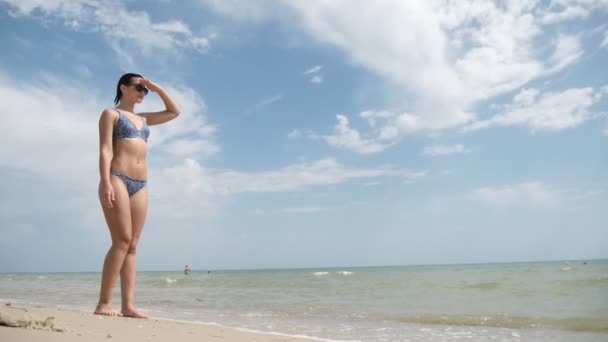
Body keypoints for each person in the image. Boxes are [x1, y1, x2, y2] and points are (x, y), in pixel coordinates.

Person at [95, 73, 180, 318]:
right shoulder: (111, 114)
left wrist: (156, 86)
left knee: (132, 245)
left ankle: (128, 305)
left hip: (141, 183)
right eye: (139, 88)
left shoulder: (143, 119)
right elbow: (104, 149)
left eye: (145, 90)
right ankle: (104, 303)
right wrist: (105, 182)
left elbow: (174, 112)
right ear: (123, 87)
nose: (143, 93)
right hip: (117, 178)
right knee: (121, 241)